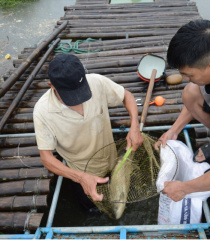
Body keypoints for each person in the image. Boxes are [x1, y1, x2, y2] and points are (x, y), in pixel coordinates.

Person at [33, 54, 143, 210]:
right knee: (92, 208)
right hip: (82, 172)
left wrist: (135, 125)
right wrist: (81, 178)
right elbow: (46, 158)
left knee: (120, 198)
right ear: (51, 85)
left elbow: (126, 96)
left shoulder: (96, 81)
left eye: (81, 91)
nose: (78, 100)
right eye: (71, 96)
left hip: (111, 160)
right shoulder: (42, 112)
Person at [154, 19, 210, 202]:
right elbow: (193, 96)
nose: (184, 78)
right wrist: (173, 130)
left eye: (189, 74)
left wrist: (184, 188)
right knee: (191, 93)